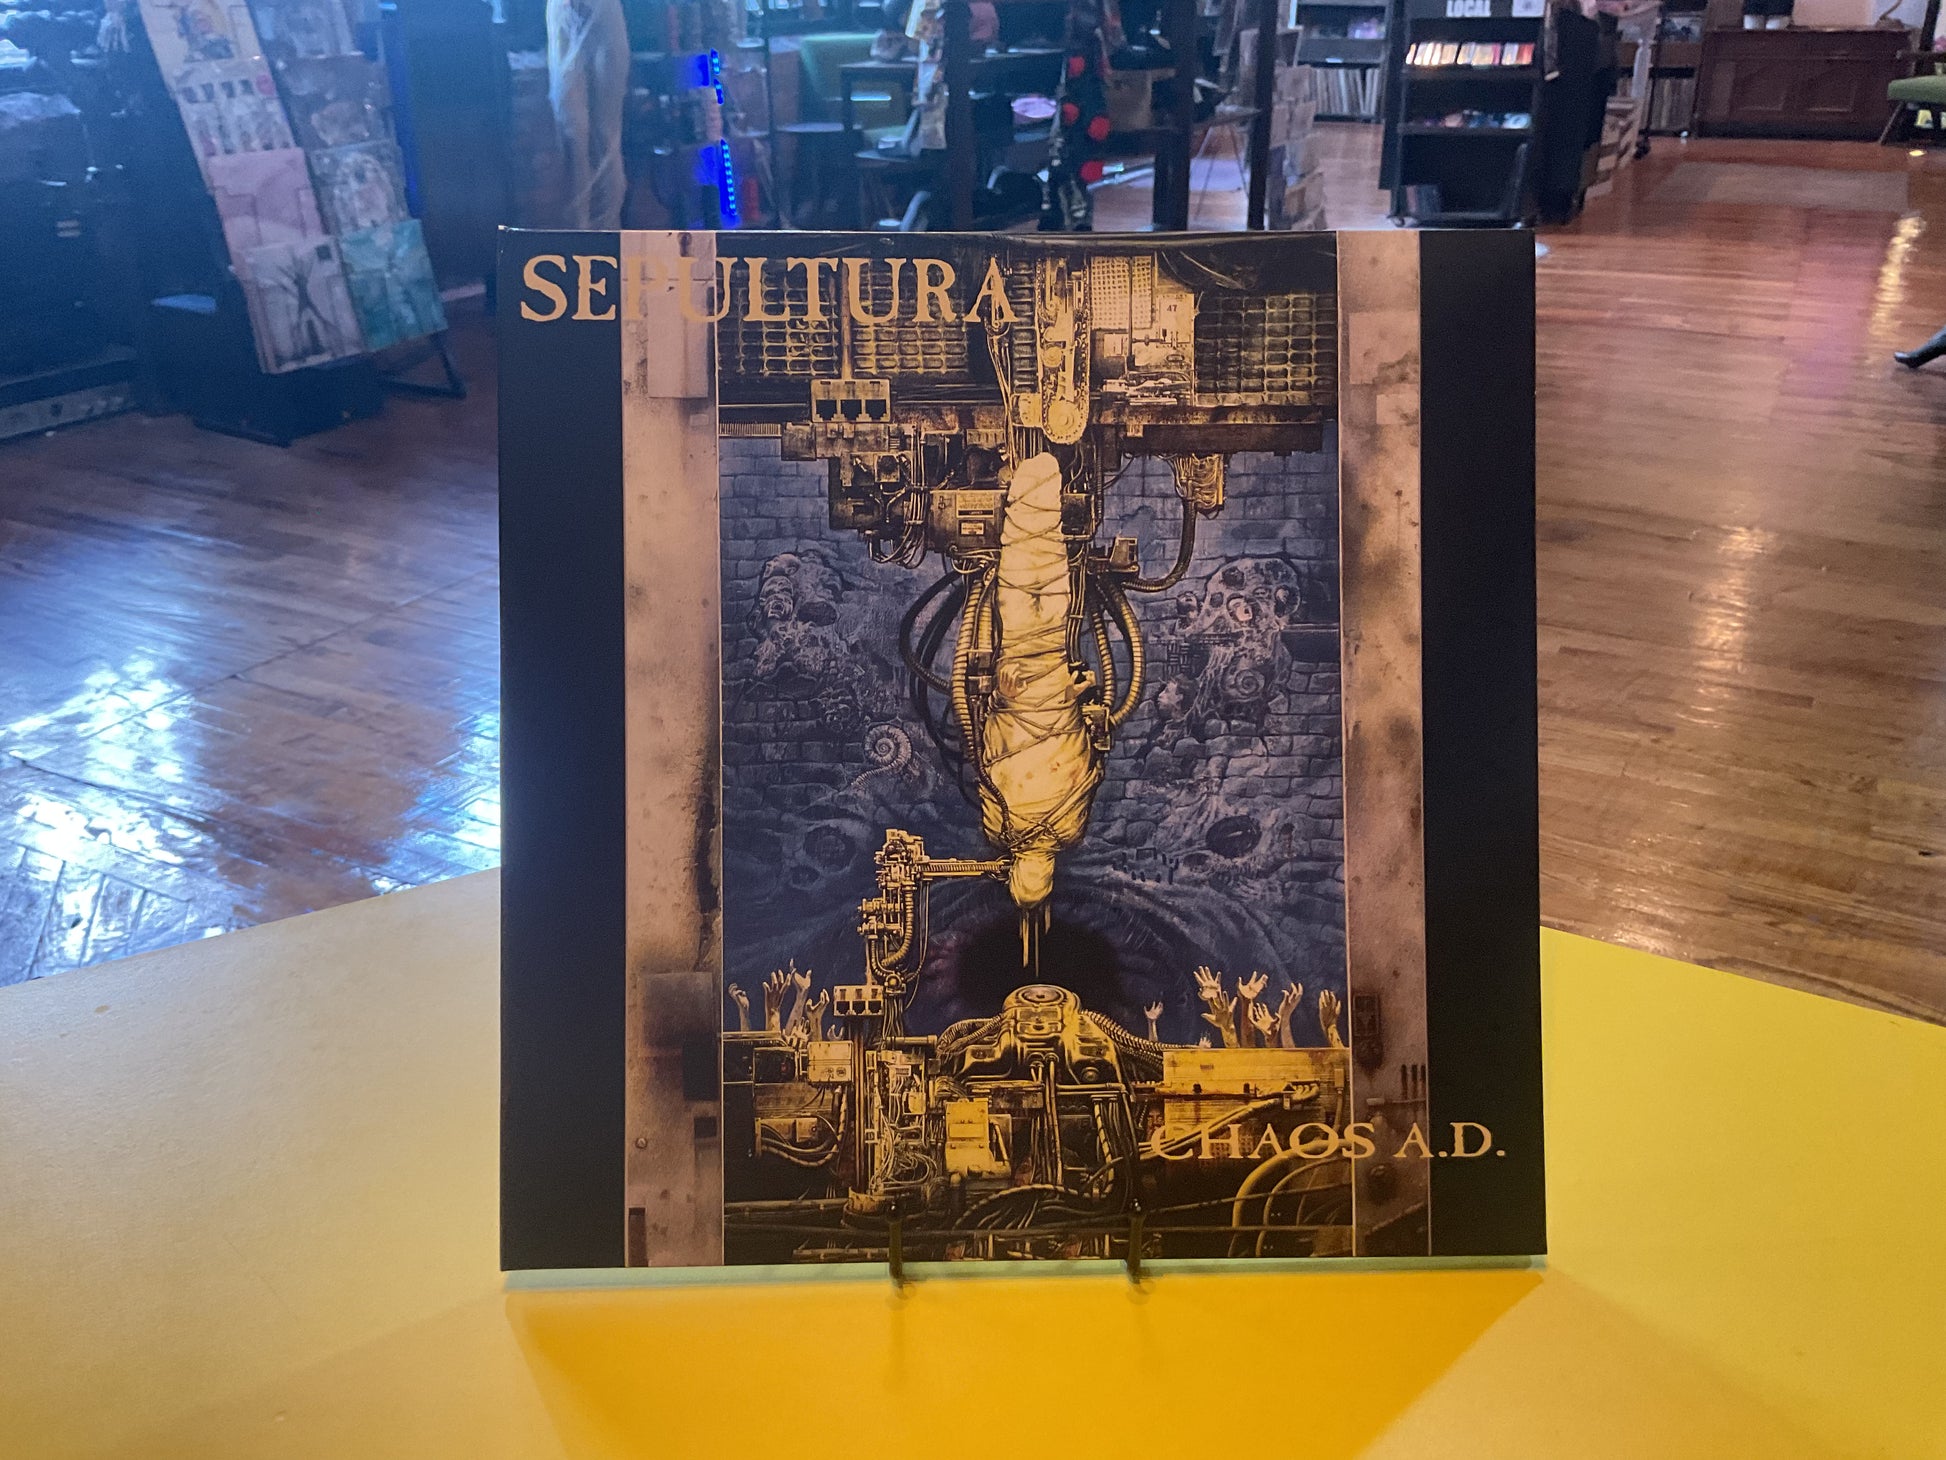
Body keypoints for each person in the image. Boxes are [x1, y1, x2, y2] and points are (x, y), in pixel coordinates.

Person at [546, 0, 629, 229]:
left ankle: (609, 233)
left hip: (605, 9)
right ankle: (581, 235)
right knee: (574, 133)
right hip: (565, 9)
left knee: (606, 135)